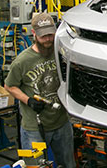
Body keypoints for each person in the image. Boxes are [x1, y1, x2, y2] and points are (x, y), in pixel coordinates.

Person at [5, 13, 76, 168]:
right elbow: (9, 86)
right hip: (34, 127)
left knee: (68, 164)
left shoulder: (60, 53)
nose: (48, 40)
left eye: (51, 35)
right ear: (34, 33)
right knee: (36, 166)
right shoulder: (22, 61)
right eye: (44, 36)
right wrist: (28, 100)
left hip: (61, 122)